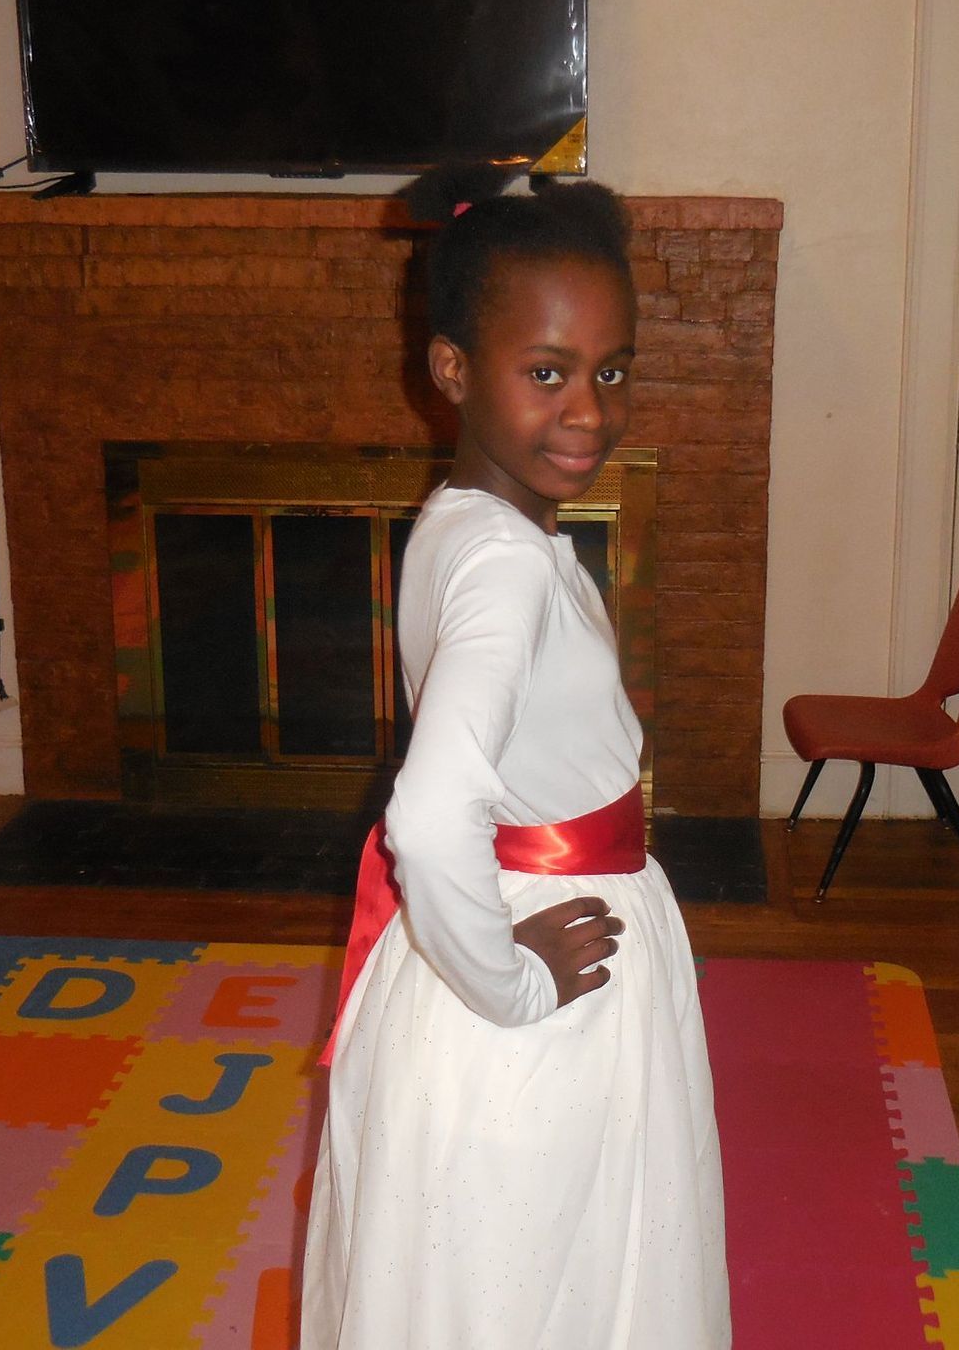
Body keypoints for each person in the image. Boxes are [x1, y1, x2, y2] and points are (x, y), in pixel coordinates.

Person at [299, 168, 731, 1349]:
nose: (588, 409)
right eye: (546, 373)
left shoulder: (459, 528)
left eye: (612, 370)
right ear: (451, 373)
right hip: (545, 983)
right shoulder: (503, 565)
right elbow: (431, 816)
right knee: (553, 1284)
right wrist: (514, 981)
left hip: (497, 953)